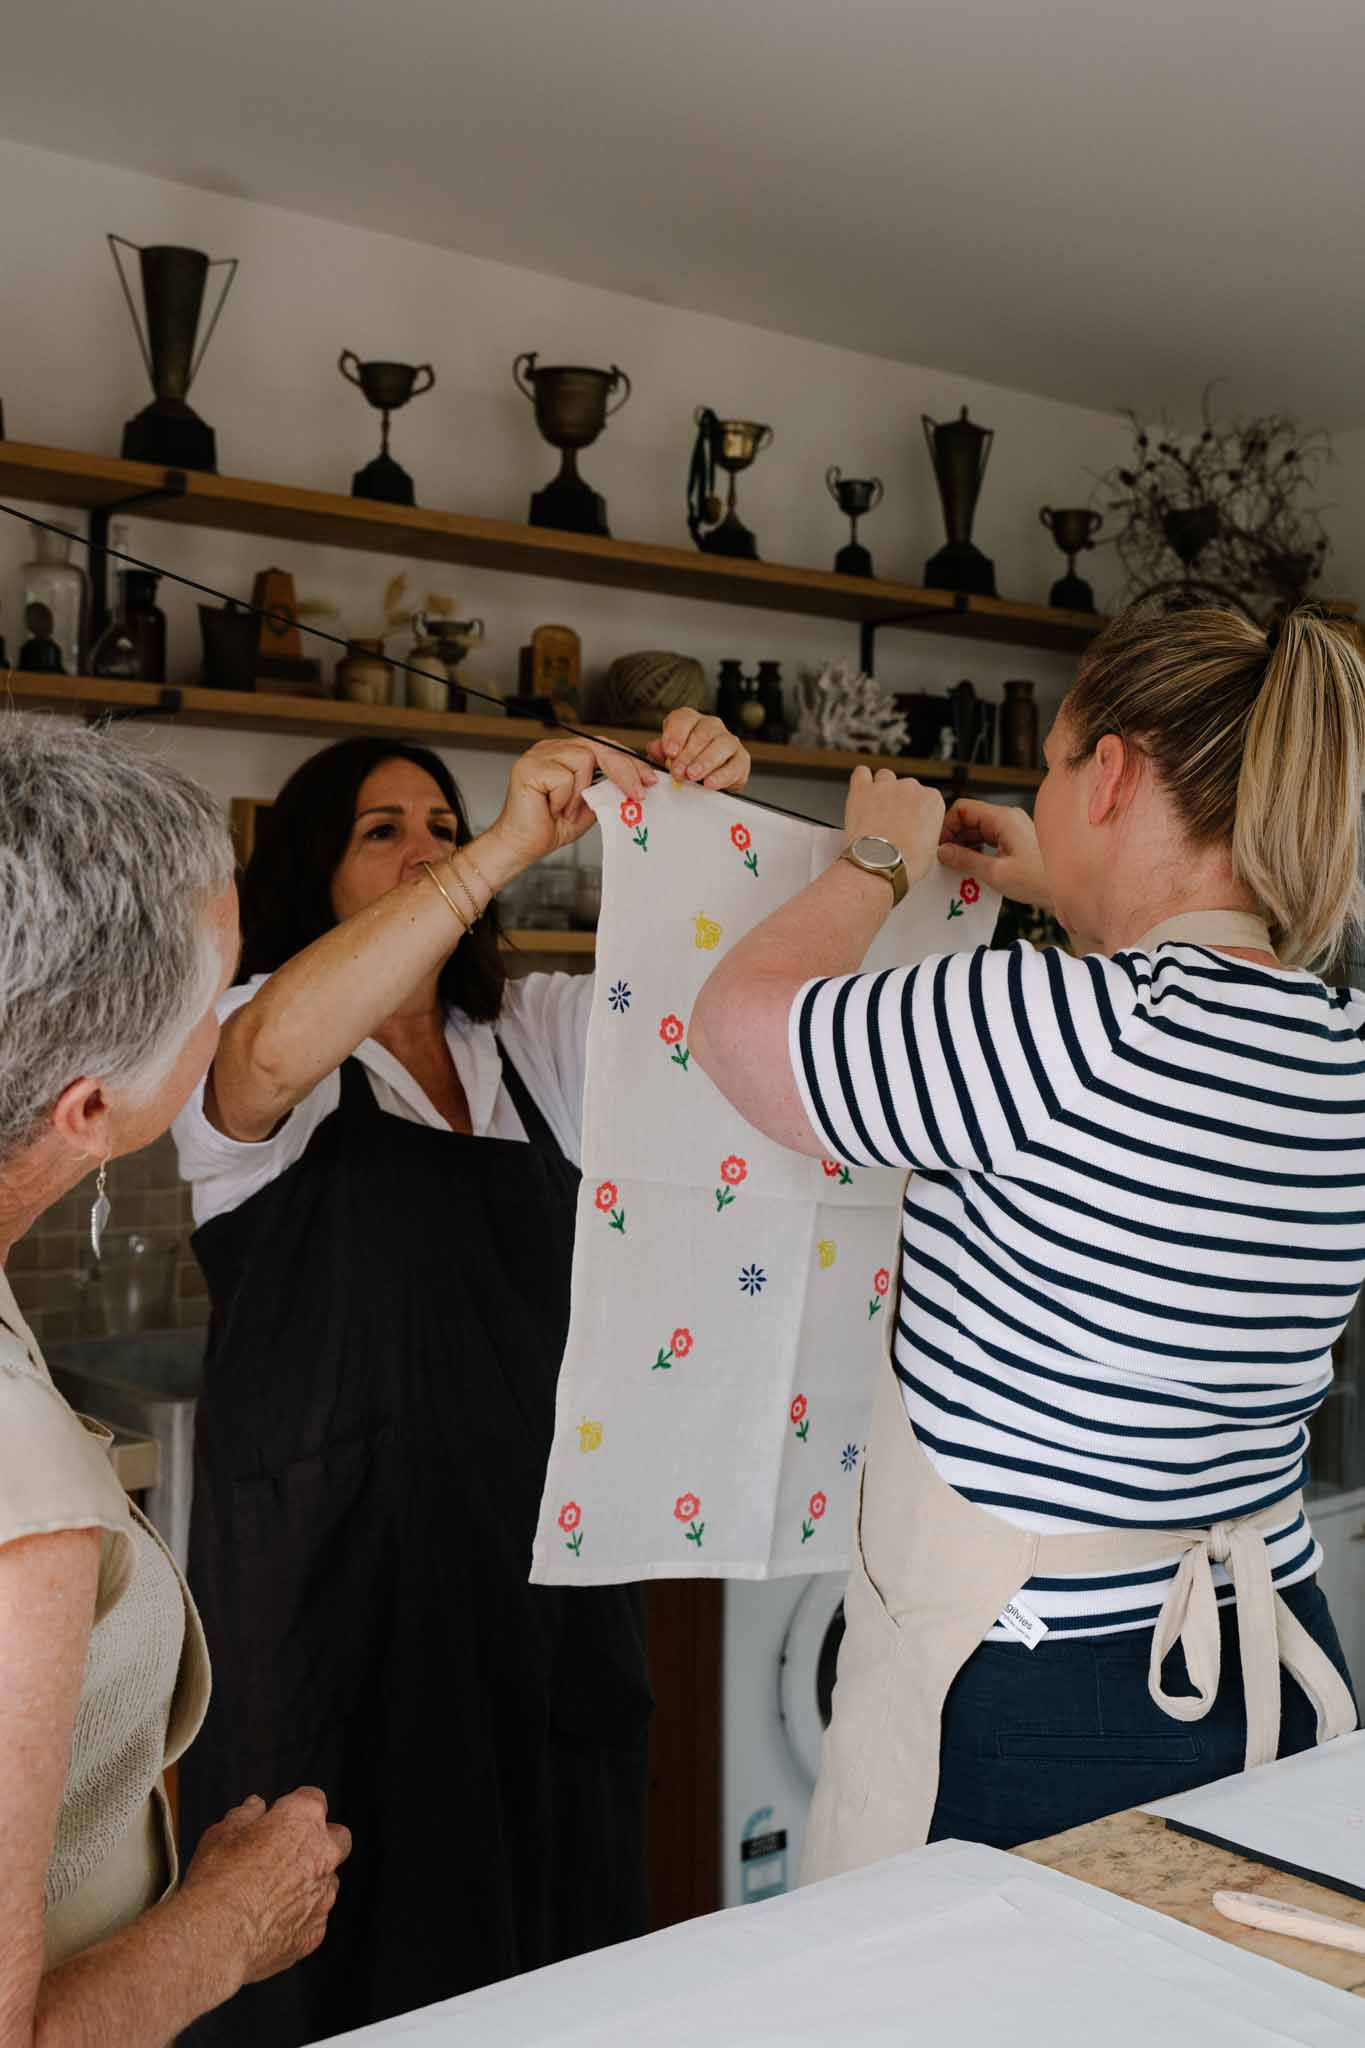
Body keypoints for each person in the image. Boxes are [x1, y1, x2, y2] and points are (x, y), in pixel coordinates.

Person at [689, 606, 1363, 1877]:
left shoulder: (1053, 1026)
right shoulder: (1337, 1043)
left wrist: (874, 864)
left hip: (1039, 1686)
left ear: (1109, 774)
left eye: (1054, 766)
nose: (1043, 797)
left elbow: (733, 1025)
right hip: (1269, 1649)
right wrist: (1064, 877)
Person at [172, 709, 750, 2043]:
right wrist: (494, 848)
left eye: (440, 823)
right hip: (340, 1589)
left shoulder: (529, 1036)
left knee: (559, 1925)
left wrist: (704, 831)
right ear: (310, 871)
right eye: (385, 833)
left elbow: (711, 1015)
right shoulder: (259, 1026)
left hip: (539, 1570)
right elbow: (265, 1061)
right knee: (348, 1941)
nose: (425, 848)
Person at [0, 716, 349, 2048]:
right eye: (218, 999)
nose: (233, 1024)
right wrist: (229, 1924)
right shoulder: (17, 1481)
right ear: (92, 1110)